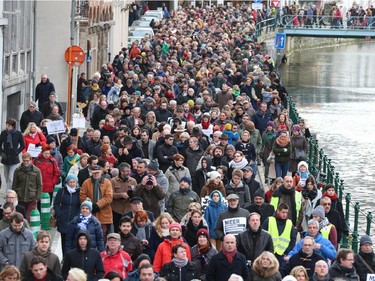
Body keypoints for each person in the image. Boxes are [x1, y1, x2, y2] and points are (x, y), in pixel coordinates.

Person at [80, 164, 113, 237]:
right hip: (89, 213)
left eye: (97, 172)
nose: (96, 174)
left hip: (104, 213)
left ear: (101, 172)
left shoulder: (107, 182)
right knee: (89, 234)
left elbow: (109, 197)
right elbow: (82, 195)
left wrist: (98, 205)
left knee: (102, 235)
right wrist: (89, 206)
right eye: (94, 173)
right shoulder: (86, 182)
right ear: (91, 172)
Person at [262, 203, 296, 269]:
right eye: (283, 212)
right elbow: (262, 236)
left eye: (286, 212)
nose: (285, 214)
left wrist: (286, 252)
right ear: (278, 211)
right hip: (269, 253)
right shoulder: (269, 220)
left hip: (282, 255)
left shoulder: (289, 223)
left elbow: (293, 240)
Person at [54, 174, 81, 256]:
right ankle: (65, 257)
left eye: (74, 182)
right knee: (64, 240)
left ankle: (72, 257)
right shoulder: (61, 191)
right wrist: (59, 214)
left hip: (75, 219)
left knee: (74, 239)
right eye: (70, 182)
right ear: (67, 183)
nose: (72, 184)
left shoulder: (79, 192)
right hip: (63, 219)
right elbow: (56, 203)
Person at [12, 152, 42, 221]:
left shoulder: (37, 171)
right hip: (20, 198)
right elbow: (14, 185)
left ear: (31, 160)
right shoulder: (17, 170)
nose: (25, 162)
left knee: (29, 218)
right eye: (24, 161)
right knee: (20, 217)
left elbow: (39, 186)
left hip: (31, 198)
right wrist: (14, 197)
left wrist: (37, 198)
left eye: (27, 161)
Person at [111, 162, 137, 232]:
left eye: (129, 170)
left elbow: (135, 193)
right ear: (121, 172)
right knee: (117, 230)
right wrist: (121, 195)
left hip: (128, 209)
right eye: (127, 171)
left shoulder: (133, 181)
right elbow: (110, 194)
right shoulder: (113, 181)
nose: (129, 172)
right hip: (117, 210)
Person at [0, 118, 25, 191]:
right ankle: (10, 190)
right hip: (5, 157)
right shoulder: (3, 133)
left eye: (9, 125)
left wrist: (17, 152)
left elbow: (22, 145)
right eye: (7, 125)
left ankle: (8, 192)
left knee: (11, 177)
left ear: (13, 126)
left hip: (14, 157)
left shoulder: (18, 133)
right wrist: (1, 153)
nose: (7, 127)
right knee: (6, 176)